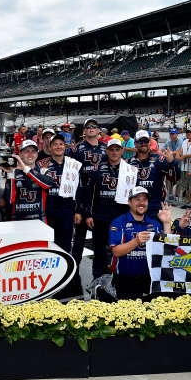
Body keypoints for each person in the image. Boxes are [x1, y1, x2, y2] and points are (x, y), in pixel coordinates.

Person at [38, 134, 82, 297]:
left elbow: (79, 188)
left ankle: (63, 276)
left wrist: (79, 210)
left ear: (65, 146)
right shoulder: (42, 164)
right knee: (49, 244)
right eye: (54, 144)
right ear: (49, 148)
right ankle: (49, 277)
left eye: (61, 144)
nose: (58, 147)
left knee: (65, 244)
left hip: (67, 210)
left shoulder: (73, 164)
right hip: (48, 210)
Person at [109, 187, 172, 300]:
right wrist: (136, 241)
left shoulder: (155, 224)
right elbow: (116, 252)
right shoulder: (118, 222)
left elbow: (167, 248)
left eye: (145, 199)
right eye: (137, 199)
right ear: (129, 202)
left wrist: (166, 223)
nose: (141, 203)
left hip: (149, 278)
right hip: (125, 279)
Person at [81, 139, 129, 280]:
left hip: (120, 216)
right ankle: (97, 277)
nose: (114, 152)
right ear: (106, 151)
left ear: (122, 151)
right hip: (100, 215)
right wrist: (88, 214)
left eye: (117, 149)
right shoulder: (97, 169)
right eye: (111, 149)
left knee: (120, 247)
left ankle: (118, 276)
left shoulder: (129, 170)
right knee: (99, 248)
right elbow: (89, 193)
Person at [70, 118, 108, 276]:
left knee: (100, 238)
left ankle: (100, 272)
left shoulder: (107, 148)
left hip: (100, 199)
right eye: (88, 127)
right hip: (82, 195)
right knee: (79, 237)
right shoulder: (77, 149)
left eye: (94, 126)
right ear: (84, 131)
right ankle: (74, 270)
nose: (91, 128)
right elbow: (72, 176)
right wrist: (77, 206)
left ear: (98, 130)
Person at [127, 130, 180, 222]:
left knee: (155, 235)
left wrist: (172, 163)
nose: (143, 144)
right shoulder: (128, 162)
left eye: (146, 141)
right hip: (134, 208)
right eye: (140, 141)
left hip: (155, 207)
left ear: (150, 142)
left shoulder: (159, 159)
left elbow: (174, 178)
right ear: (135, 143)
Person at [1, 140, 53, 221]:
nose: (30, 154)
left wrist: (25, 169)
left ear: (37, 154)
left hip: (39, 219)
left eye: (33, 151)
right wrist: (11, 174)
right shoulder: (13, 173)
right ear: (20, 154)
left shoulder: (43, 171)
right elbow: (10, 199)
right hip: (18, 220)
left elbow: (47, 185)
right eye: (26, 151)